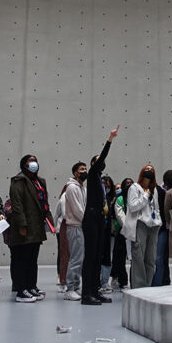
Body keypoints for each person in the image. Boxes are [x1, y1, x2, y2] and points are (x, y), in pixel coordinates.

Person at [9, 153, 54, 303]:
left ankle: (31, 286)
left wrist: (50, 221)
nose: (34, 163)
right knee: (22, 258)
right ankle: (21, 290)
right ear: (24, 165)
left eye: (35, 161)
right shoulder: (19, 181)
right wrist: (22, 224)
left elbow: (44, 202)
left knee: (32, 258)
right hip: (26, 226)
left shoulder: (40, 181)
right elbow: (17, 204)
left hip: (37, 226)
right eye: (30, 161)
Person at [81, 126, 119, 305]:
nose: (101, 162)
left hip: (99, 219)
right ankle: (86, 294)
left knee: (97, 256)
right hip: (91, 218)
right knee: (90, 257)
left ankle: (95, 290)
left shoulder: (99, 180)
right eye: (97, 161)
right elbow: (102, 157)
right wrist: (110, 139)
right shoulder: (92, 174)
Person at [127, 163, 162, 289]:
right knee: (138, 257)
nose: (149, 171)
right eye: (147, 169)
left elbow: (156, 208)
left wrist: (158, 220)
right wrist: (145, 196)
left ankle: (147, 286)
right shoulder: (134, 188)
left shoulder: (155, 189)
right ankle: (138, 287)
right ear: (142, 172)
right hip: (140, 224)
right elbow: (132, 206)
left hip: (153, 226)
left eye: (152, 170)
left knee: (151, 258)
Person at [62, 162, 86, 300]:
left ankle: (76, 286)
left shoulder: (82, 188)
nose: (84, 171)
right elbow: (78, 210)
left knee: (80, 258)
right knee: (75, 258)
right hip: (75, 226)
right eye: (81, 169)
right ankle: (69, 288)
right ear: (75, 173)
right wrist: (86, 221)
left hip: (81, 226)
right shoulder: (71, 188)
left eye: (85, 168)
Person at [111, 178, 132, 290]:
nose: (129, 185)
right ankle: (122, 281)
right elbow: (120, 216)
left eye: (131, 183)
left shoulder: (135, 198)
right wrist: (128, 227)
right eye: (127, 183)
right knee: (120, 257)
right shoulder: (119, 199)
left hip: (135, 231)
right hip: (122, 232)